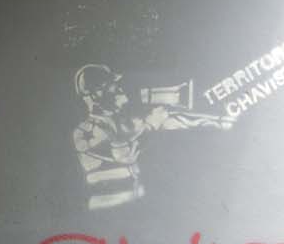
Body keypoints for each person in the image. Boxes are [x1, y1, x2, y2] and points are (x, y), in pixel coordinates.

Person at [71, 63, 233, 210]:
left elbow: (169, 121)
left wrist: (219, 122)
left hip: (135, 207)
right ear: (96, 95)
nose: (119, 88)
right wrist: (151, 125)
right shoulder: (86, 131)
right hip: (108, 209)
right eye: (113, 86)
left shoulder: (124, 123)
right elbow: (126, 155)